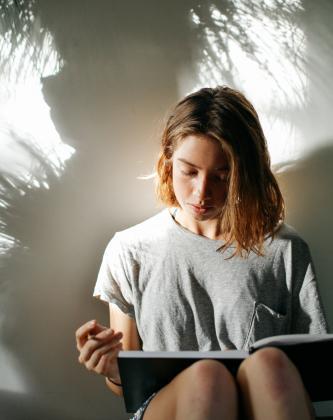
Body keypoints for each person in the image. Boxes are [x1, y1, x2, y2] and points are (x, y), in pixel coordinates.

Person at [75, 86, 328, 420]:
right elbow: (127, 388)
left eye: (223, 176)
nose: (202, 192)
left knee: (270, 365)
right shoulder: (131, 250)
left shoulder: (285, 250)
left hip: (263, 404)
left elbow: (312, 373)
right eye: (189, 171)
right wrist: (112, 368)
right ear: (168, 163)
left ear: (245, 174)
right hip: (171, 407)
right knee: (208, 379)